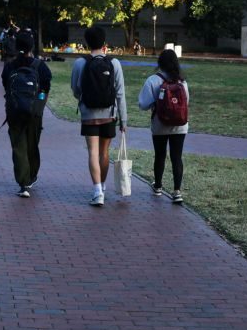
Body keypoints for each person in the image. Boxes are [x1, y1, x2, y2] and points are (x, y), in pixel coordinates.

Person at [70, 26, 127, 207]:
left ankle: (97, 192)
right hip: (109, 114)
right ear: (104, 42)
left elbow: (75, 89)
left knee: (92, 152)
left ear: (87, 42)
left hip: (89, 114)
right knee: (104, 153)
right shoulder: (114, 63)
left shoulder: (80, 63)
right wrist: (123, 120)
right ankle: (103, 186)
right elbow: (120, 93)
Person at [2, 31, 52, 198]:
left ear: (16, 46)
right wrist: (40, 102)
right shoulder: (40, 66)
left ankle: (23, 183)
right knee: (32, 144)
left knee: (18, 146)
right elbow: (45, 88)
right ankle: (31, 176)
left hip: (14, 111)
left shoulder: (10, 66)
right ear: (32, 46)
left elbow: (6, 86)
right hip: (34, 112)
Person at [138, 49, 190, 204]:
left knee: (160, 155)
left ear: (159, 63)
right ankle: (177, 191)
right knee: (177, 157)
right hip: (180, 125)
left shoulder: (153, 80)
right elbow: (186, 102)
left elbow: (143, 104)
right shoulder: (182, 82)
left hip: (160, 124)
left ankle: (158, 186)